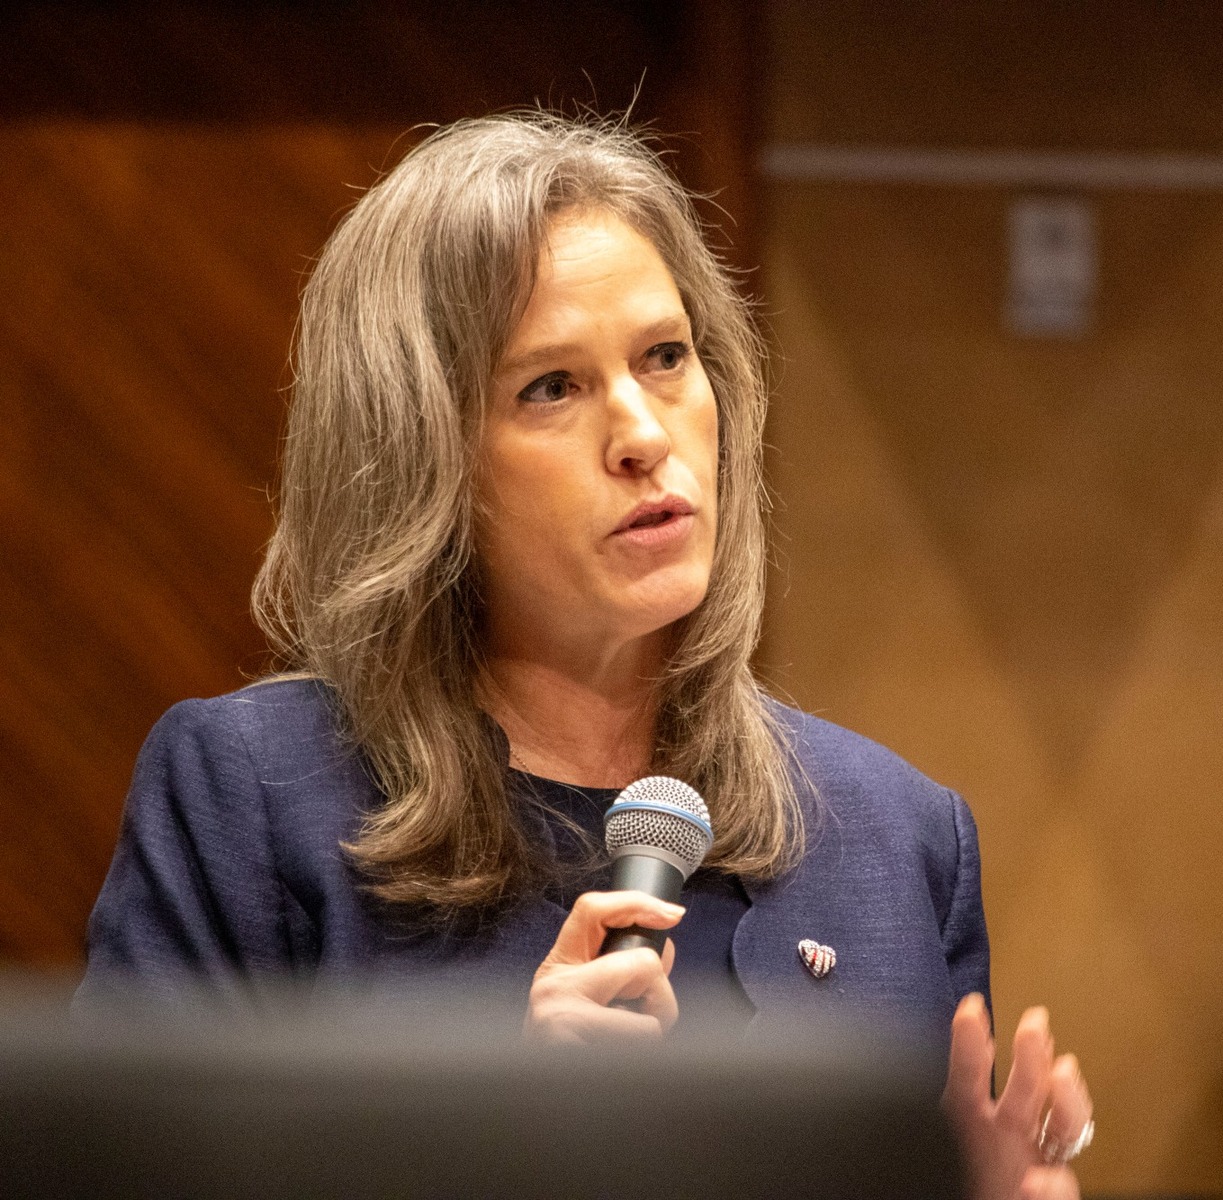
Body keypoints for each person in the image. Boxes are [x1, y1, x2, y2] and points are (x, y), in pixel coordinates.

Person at [77, 111, 1092, 1200]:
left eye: (666, 358)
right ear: (423, 459)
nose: (643, 433)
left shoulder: (896, 836)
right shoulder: (253, 801)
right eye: (551, 387)